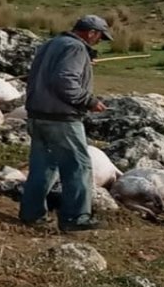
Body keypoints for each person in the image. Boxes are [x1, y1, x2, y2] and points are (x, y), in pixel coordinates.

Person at [18, 14, 113, 232]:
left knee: (42, 168)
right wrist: (89, 101)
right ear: (91, 32)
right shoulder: (76, 49)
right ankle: (75, 218)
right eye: (99, 37)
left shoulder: (51, 43)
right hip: (61, 120)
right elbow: (65, 80)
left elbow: (45, 74)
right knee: (78, 166)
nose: (99, 41)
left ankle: (31, 214)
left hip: (37, 116)